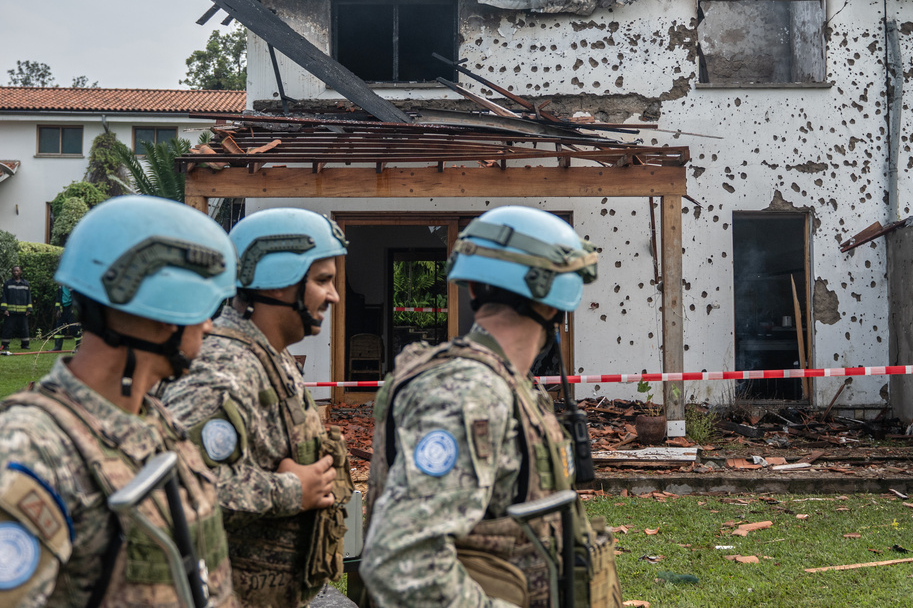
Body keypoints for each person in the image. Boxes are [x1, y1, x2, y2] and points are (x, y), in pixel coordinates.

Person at [361, 205, 621, 608]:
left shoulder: (504, 383)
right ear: (557, 302)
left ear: (472, 290)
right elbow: (401, 561)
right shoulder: (469, 392)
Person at [0, 195, 238, 607]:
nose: (208, 323)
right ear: (166, 309)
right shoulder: (33, 450)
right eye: (204, 305)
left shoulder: (154, 418)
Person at [160, 207, 354, 607]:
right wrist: (290, 490)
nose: (334, 295)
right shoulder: (223, 370)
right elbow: (178, 491)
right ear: (278, 283)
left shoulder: (272, 357)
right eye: (323, 281)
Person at [1, 265, 33, 352]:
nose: (16, 272)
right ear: (12, 272)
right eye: (14, 271)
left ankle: (25, 345)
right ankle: (5, 345)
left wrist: (29, 309)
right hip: (10, 312)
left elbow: (28, 297)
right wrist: (4, 309)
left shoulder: (26, 283)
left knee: (24, 329)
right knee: (8, 329)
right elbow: (4, 297)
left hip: (23, 312)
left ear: (20, 272)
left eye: (17, 271)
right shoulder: (8, 283)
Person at [50, 284, 81, 351]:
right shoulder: (60, 285)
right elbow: (58, 297)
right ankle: (57, 347)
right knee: (59, 328)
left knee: (74, 328)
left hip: (71, 308)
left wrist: (75, 307)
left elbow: (78, 297)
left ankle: (79, 347)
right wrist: (58, 309)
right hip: (62, 309)